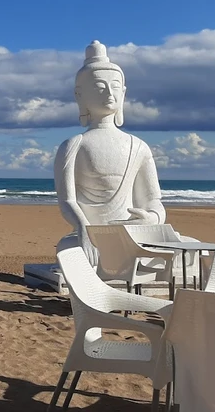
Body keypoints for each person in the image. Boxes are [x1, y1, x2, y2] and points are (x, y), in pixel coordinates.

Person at [54, 41, 164, 266]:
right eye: (98, 86)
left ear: (123, 93)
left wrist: (151, 218)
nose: (109, 93)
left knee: (184, 247)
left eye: (115, 86)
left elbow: (153, 200)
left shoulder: (138, 146)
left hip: (132, 234)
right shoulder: (74, 145)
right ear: (80, 96)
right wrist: (84, 229)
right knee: (69, 248)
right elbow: (67, 201)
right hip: (90, 235)